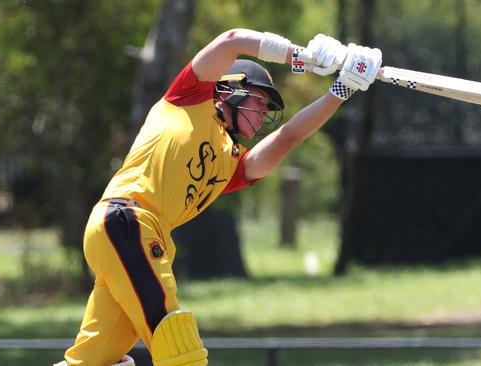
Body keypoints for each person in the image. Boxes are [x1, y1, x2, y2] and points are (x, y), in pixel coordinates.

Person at [55, 29, 382, 366]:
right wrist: (303, 57)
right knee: (179, 349)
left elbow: (289, 137)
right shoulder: (189, 97)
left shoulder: (231, 163)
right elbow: (232, 40)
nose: (264, 112)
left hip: (134, 237)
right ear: (231, 88)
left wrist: (342, 90)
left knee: (96, 361)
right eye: (260, 100)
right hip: (128, 223)